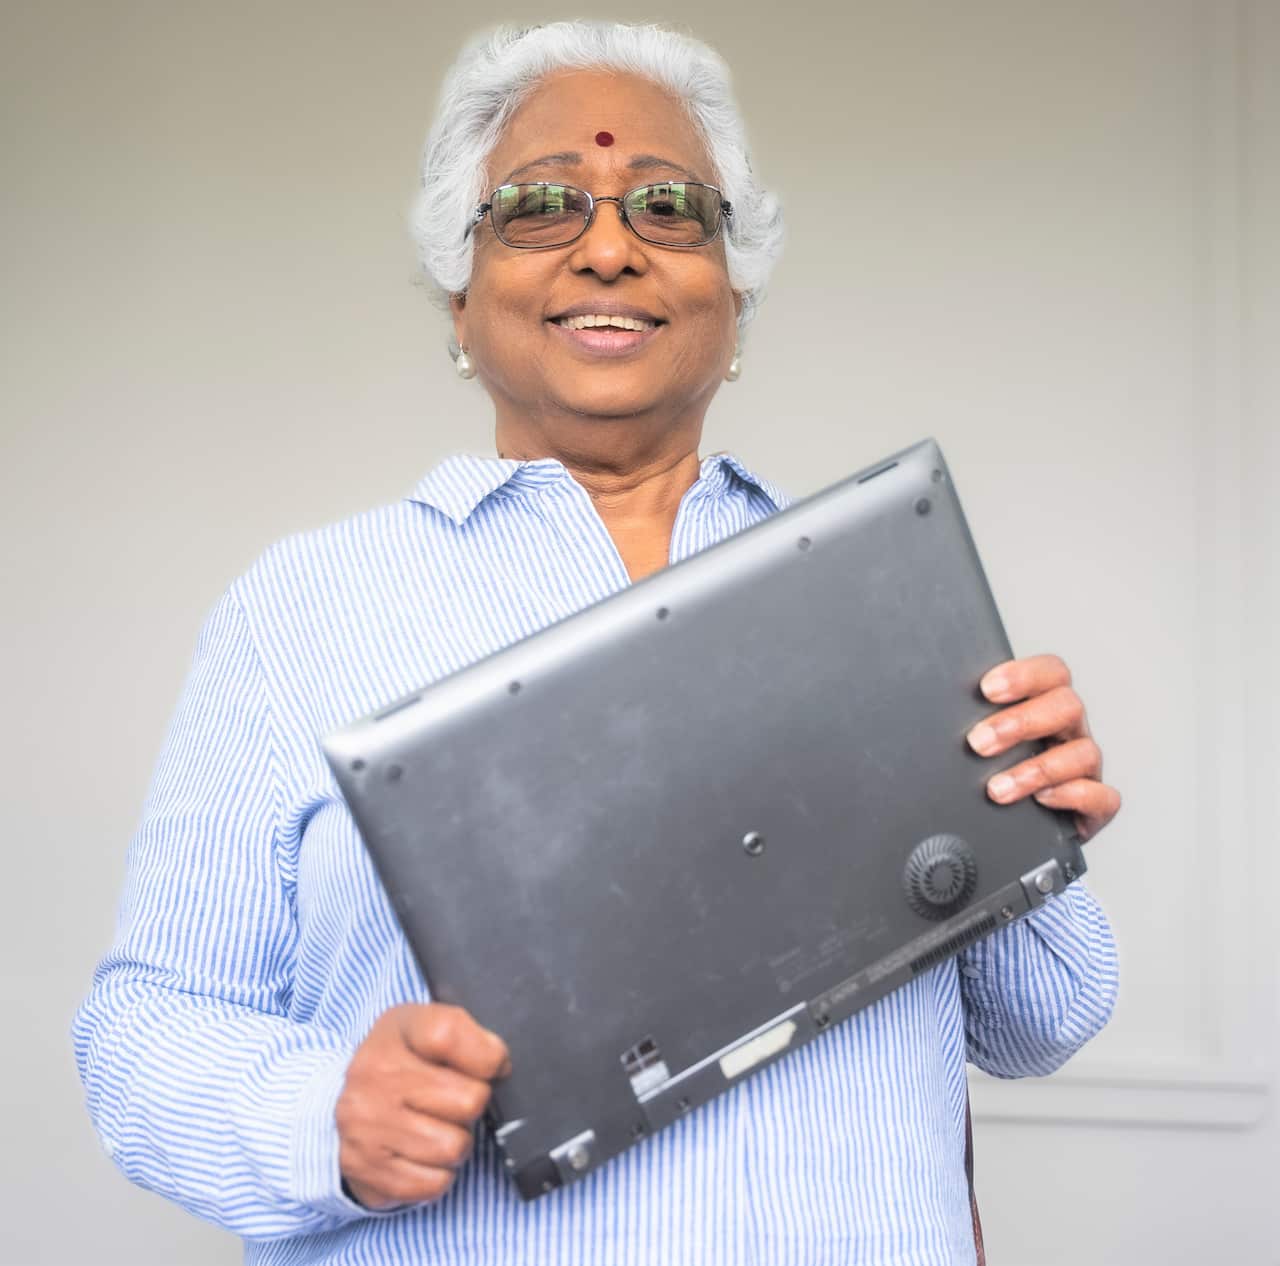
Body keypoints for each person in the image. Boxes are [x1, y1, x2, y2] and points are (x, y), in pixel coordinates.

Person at [72, 19, 1121, 1266]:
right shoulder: (301, 608)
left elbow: (1042, 1020)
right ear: (460, 297)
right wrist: (324, 1118)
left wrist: (1022, 814)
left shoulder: (882, 599)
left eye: (669, 207)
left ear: (733, 297)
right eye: (540, 206)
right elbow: (144, 1028)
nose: (611, 248)